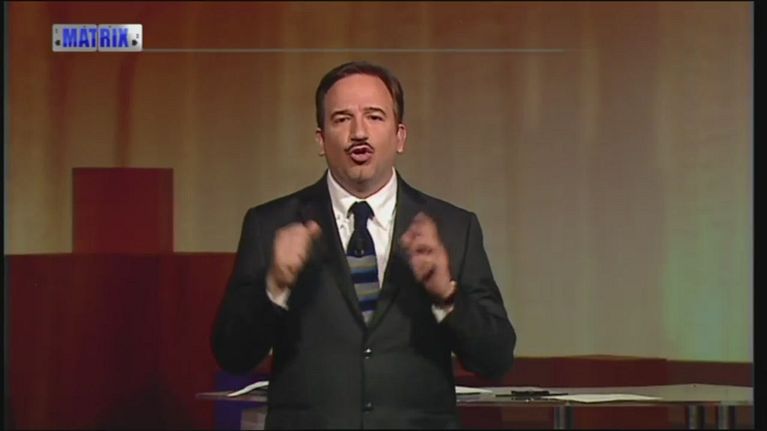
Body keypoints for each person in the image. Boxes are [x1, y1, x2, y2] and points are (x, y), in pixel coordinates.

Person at [211, 61, 516, 429]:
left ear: (400, 137)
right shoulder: (271, 225)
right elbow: (232, 354)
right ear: (321, 140)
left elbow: (495, 358)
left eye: (374, 117)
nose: (358, 132)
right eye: (342, 119)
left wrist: (446, 295)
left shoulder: (453, 228)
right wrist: (275, 288)